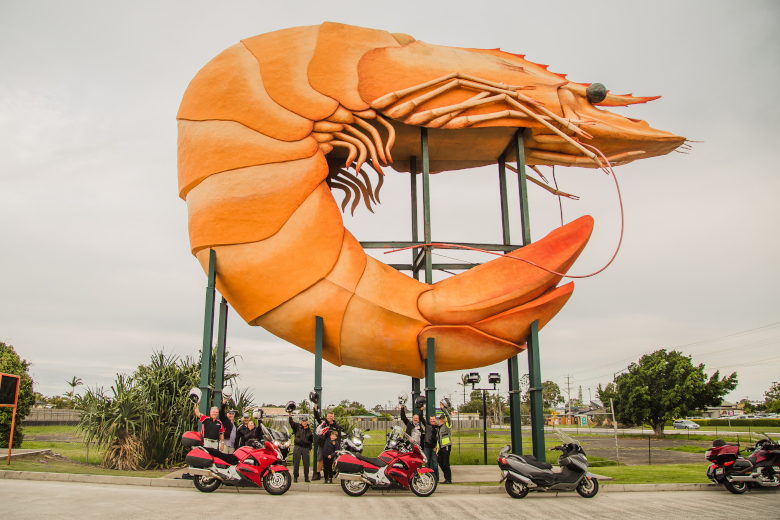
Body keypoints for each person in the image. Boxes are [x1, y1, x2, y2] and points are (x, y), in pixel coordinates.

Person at [312, 402, 341, 481]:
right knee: (320, 458)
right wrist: (315, 404)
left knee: (331, 460)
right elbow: (316, 415)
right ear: (327, 417)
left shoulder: (336, 427)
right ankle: (318, 474)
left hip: (332, 446)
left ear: (333, 417)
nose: (329, 418)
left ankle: (329, 475)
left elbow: (339, 437)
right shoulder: (324, 423)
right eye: (328, 416)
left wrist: (337, 446)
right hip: (323, 444)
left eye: (331, 416)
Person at [288, 412, 313, 483]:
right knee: (296, 463)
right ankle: (295, 477)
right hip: (298, 447)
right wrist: (290, 414)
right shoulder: (297, 427)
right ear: (301, 422)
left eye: (305, 421)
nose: (304, 423)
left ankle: (306, 477)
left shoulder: (309, 429)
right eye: (303, 421)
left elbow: (311, 440)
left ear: (307, 422)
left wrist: (310, 448)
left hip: (305, 448)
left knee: (306, 463)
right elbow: (291, 422)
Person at [421, 414, 439, 482]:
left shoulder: (438, 427)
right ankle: (427, 478)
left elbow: (439, 438)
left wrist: (437, 446)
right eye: (431, 419)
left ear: (435, 419)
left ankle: (436, 479)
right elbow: (421, 418)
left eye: (433, 419)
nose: (432, 420)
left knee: (435, 464)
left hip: (434, 447)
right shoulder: (427, 425)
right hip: (427, 447)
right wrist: (421, 410)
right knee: (427, 463)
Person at [437, 404, 453, 484]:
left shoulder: (447, 425)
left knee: (446, 463)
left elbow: (449, 418)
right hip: (441, 448)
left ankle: (448, 479)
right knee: (440, 462)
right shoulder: (439, 427)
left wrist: (444, 409)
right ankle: (446, 477)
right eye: (440, 419)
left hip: (446, 446)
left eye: (442, 419)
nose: (441, 420)